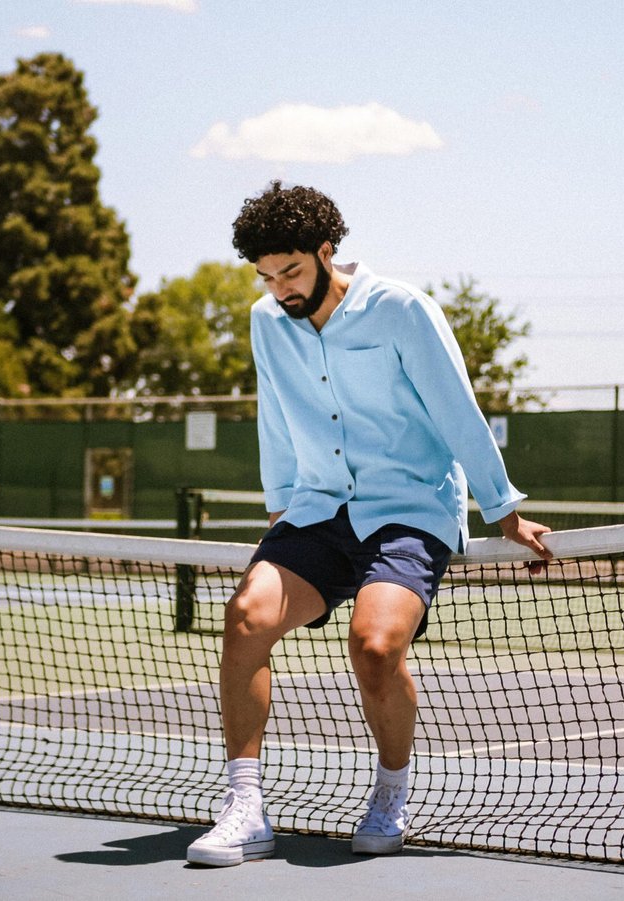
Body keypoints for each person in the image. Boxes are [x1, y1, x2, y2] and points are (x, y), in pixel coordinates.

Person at [186, 182, 552, 867]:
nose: (279, 288)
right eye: (266, 276)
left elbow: (456, 409)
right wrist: (279, 505)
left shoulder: (403, 310)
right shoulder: (268, 320)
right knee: (245, 617)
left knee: (375, 647)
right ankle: (245, 807)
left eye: (291, 271)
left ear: (328, 252)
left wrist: (504, 510)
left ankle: (390, 793)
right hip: (318, 508)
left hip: (408, 508)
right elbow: (275, 414)